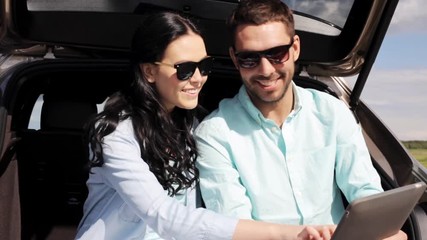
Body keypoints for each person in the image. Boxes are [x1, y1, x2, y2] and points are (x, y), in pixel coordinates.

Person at [75, 10, 336, 240]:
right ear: (149, 72)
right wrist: (287, 234)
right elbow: (166, 218)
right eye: (185, 68)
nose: (198, 78)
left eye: (204, 65)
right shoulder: (115, 134)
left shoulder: (195, 128)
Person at [194, 1, 406, 239]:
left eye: (276, 54)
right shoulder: (214, 133)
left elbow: (366, 193)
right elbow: (234, 227)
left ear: (294, 48)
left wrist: (383, 230)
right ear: (234, 58)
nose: (265, 70)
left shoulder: (333, 112)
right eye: (249, 58)